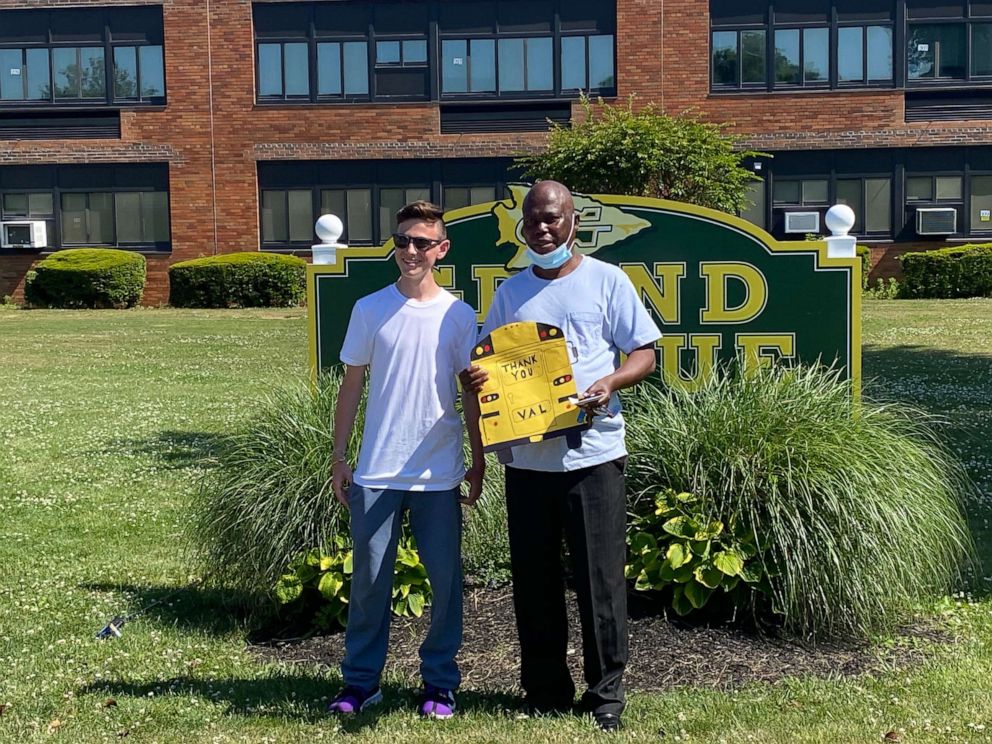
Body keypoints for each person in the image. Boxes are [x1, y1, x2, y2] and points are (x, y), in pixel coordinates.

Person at [462, 181, 661, 732]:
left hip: (594, 455)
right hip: (528, 463)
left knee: (600, 580)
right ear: (522, 226)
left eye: (552, 218)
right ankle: (545, 688)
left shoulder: (607, 281)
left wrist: (611, 380)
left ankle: (606, 695)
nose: (542, 228)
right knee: (534, 579)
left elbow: (644, 352)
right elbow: (490, 362)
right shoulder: (510, 293)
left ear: (574, 221)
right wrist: (480, 373)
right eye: (533, 221)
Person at [328, 200, 484, 719]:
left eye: (422, 242)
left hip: (439, 473)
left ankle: (439, 685)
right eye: (402, 241)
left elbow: (471, 394)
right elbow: (351, 388)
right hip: (375, 470)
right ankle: (361, 684)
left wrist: (478, 458)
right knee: (370, 585)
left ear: (442, 249)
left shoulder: (460, 316)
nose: (410, 251)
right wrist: (339, 458)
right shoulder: (369, 309)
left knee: (444, 585)